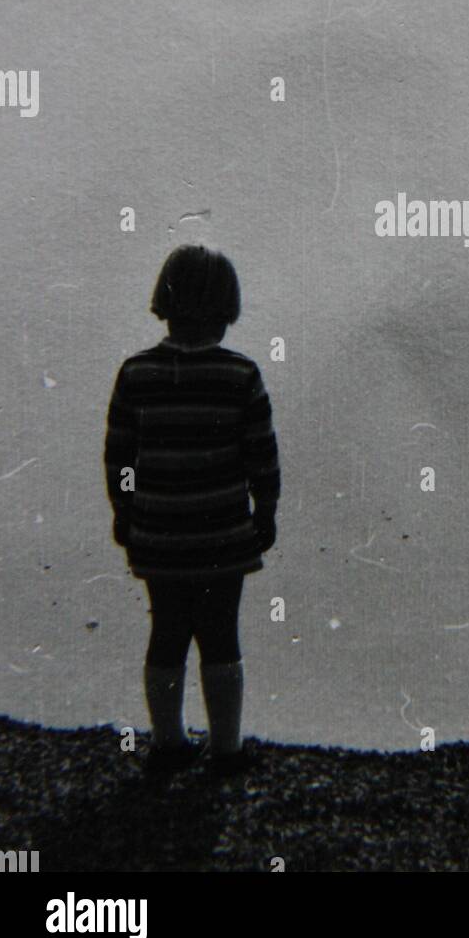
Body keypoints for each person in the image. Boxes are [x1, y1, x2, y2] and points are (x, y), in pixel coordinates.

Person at [103, 245, 280, 774]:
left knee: (168, 632)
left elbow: (120, 457)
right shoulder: (240, 375)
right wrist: (265, 511)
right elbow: (261, 455)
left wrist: (124, 510)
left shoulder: (136, 373)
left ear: (165, 302)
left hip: (158, 533)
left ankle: (168, 742)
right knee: (221, 634)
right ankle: (226, 749)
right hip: (223, 532)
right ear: (228, 310)